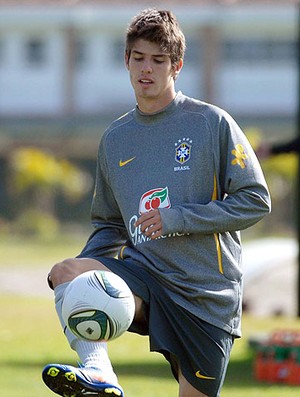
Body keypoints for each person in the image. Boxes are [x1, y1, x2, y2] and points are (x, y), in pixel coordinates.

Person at [42, 8, 271, 397]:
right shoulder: (115, 138)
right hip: (145, 278)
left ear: (176, 66)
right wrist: (81, 282)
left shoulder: (211, 123)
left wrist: (177, 218)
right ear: (126, 61)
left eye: (158, 60)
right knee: (66, 271)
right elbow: (110, 225)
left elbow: (256, 200)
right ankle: (99, 373)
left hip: (205, 295)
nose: (146, 69)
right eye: (139, 58)